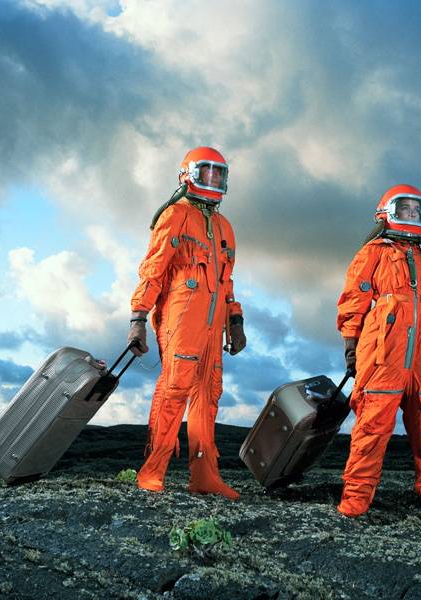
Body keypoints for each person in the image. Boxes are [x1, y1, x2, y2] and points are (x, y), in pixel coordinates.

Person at [336, 184, 421, 527]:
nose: (412, 216)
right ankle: (355, 500)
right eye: (405, 209)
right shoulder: (372, 254)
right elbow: (354, 301)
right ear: (388, 213)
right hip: (382, 357)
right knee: (371, 429)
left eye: (416, 210)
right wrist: (351, 345)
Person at [127, 146, 246, 500]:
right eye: (206, 172)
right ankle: (153, 472)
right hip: (181, 318)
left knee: (209, 396)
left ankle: (204, 476)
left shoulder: (225, 227)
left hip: (213, 326)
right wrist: (138, 318)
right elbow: (153, 269)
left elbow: (227, 281)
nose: (213, 180)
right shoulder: (174, 215)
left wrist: (235, 320)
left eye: (219, 174)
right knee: (175, 389)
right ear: (188, 174)